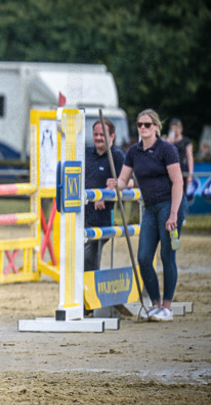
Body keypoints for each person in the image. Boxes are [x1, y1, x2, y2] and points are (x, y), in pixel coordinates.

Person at [107, 109, 184, 322]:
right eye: (139, 124)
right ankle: (155, 304)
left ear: (156, 127)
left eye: (147, 125)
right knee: (142, 257)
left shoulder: (166, 149)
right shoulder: (133, 152)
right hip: (149, 207)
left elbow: (177, 181)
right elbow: (124, 180)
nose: (142, 128)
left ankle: (167, 306)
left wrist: (174, 214)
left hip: (170, 204)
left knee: (167, 255)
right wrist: (116, 184)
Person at [84, 120, 126, 272]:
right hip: (81, 214)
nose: (98, 137)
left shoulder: (118, 156)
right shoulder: (86, 153)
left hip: (101, 217)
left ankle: (88, 288)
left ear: (112, 136)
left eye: (102, 134)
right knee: (81, 255)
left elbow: (128, 182)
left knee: (88, 256)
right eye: (96, 134)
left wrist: (109, 189)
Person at [166, 118, 195, 207]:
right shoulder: (168, 141)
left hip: (183, 170)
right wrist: (168, 142)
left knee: (182, 194)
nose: (175, 130)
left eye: (176, 127)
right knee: (170, 194)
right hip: (170, 170)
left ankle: (181, 215)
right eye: (173, 128)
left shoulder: (186, 141)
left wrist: (190, 174)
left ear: (181, 128)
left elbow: (190, 157)